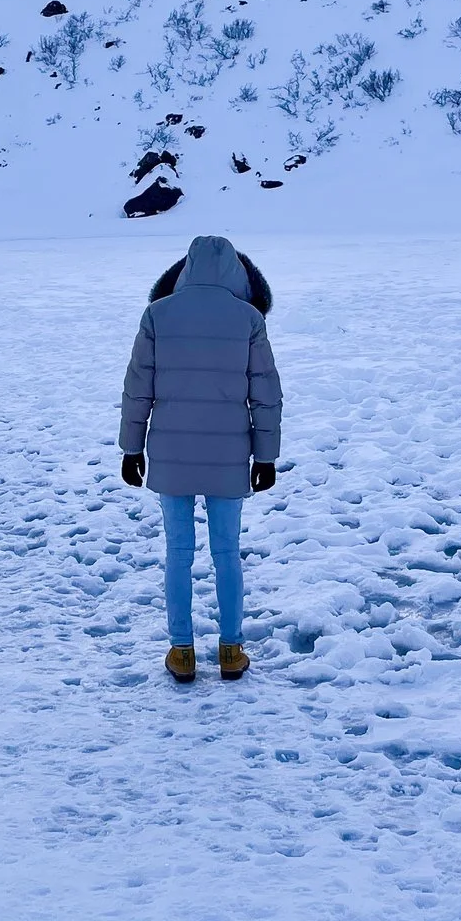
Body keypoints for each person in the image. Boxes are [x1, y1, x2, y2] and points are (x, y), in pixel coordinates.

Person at [118, 234, 282, 683]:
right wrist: (266, 457)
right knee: (227, 553)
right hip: (230, 454)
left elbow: (137, 388)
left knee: (178, 552)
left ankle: (182, 652)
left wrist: (131, 447)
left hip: (170, 454)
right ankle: (231, 651)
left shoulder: (158, 315)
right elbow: (266, 394)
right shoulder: (248, 319)